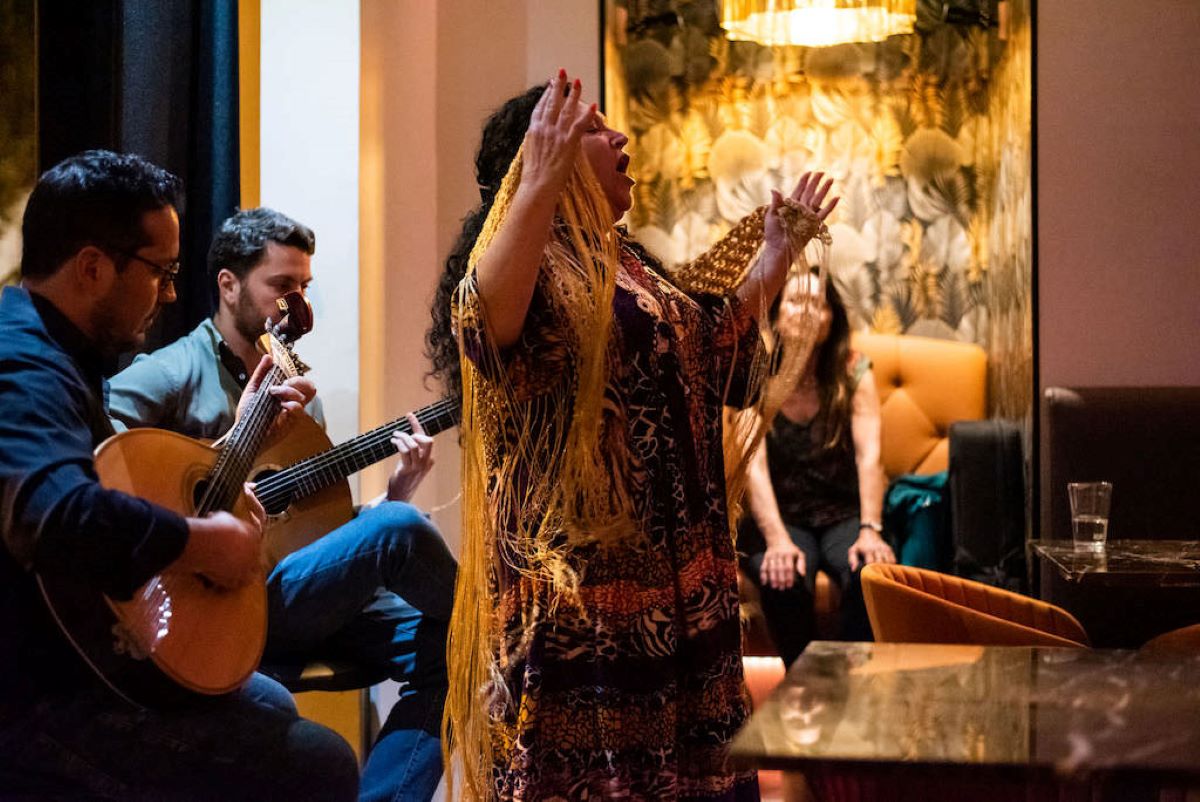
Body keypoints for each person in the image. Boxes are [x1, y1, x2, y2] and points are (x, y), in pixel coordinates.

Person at [428, 72, 838, 801]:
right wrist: (538, 185)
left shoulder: (631, 260)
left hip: (685, 590)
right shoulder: (532, 261)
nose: (619, 139)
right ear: (542, 150)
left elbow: (714, 356)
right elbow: (482, 332)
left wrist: (773, 258)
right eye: (593, 129)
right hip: (588, 607)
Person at [0, 149, 359, 800]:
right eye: (160, 272)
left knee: (271, 702)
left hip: (69, 660)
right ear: (91, 267)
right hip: (29, 700)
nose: (169, 293)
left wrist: (237, 443)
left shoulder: (59, 351)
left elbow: (119, 492)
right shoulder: (25, 367)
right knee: (320, 761)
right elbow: (53, 513)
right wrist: (203, 542)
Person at [107, 206, 457, 802]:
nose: (294, 303)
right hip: (212, 602)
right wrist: (228, 452)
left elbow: (312, 535)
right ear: (229, 284)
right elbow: (101, 467)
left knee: (458, 654)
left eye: (303, 288)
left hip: (292, 595)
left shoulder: (296, 388)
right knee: (402, 532)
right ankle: (509, 620)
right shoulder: (169, 372)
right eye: (281, 286)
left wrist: (395, 491)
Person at [740, 273, 896, 666]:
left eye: (818, 303)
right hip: (782, 517)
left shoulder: (853, 370)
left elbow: (869, 455)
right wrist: (776, 540)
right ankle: (803, 682)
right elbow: (752, 466)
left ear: (831, 319)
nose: (807, 311)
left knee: (869, 573)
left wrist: (870, 529)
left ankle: (849, 681)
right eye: (795, 302)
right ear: (776, 317)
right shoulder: (754, 372)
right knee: (783, 579)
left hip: (843, 512)